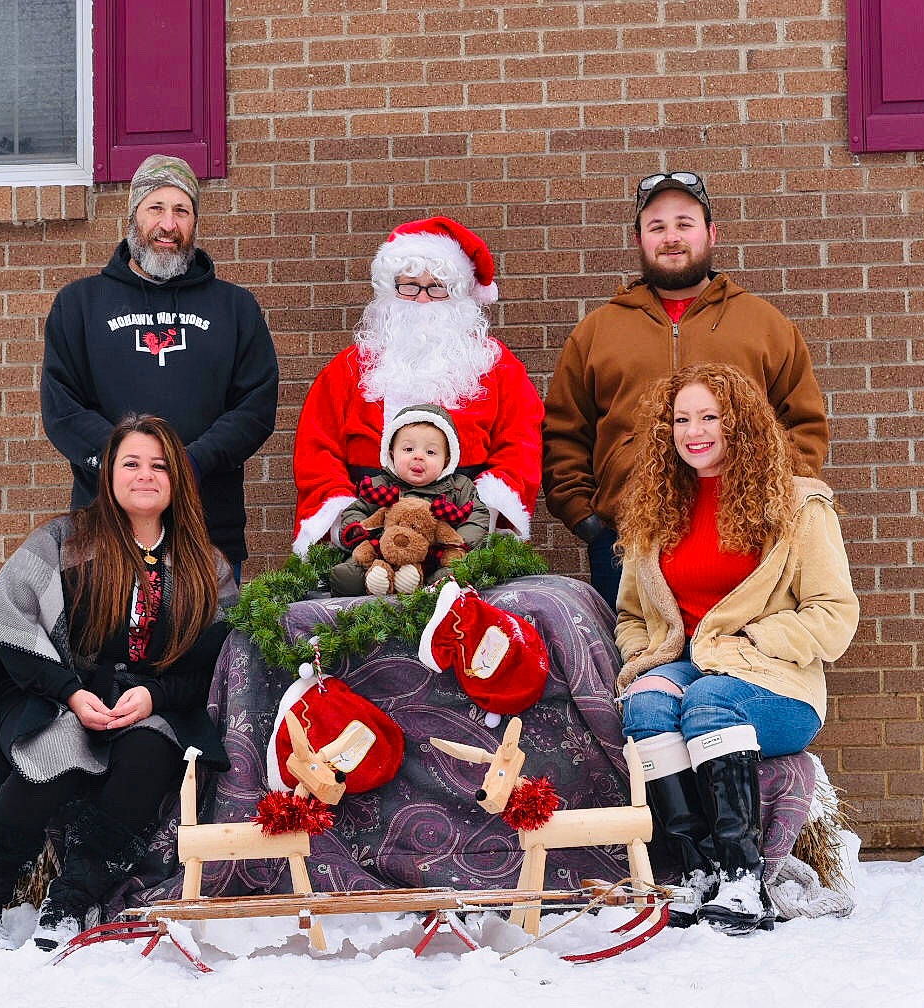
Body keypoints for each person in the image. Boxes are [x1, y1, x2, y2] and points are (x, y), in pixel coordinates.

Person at [0, 414, 236, 953]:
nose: (145, 475)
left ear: (177, 478)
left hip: (148, 703)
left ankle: (71, 901)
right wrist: (69, 692)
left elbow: (213, 665)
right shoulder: (61, 541)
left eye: (159, 465)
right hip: (54, 692)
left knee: (151, 752)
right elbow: (8, 623)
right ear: (108, 474)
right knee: (57, 748)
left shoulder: (207, 565)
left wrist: (154, 696)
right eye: (131, 463)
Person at [613, 364, 857, 936]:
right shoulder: (656, 512)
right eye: (681, 419)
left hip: (774, 686)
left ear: (740, 423)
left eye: (709, 417)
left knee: (709, 702)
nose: (693, 431)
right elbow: (631, 615)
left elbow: (834, 617)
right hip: (686, 665)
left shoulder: (798, 507)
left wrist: (753, 639)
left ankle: (744, 881)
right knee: (645, 705)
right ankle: (700, 871)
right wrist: (646, 655)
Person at [543, 170, 830, 605]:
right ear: (639, 239)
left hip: (743, 535)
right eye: (657, 227)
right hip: (627, 540)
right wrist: (587, 517)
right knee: (634, 647)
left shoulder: (765, 325)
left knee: (740, 647)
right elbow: (565, 431)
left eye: (684, 223)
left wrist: (774, 505)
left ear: (711, 233)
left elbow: (804, 425)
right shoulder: (597, 331)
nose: (671, 237)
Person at [41, 154, 278, 574]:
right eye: (156, 208)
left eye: (181, 211)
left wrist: (191, 463)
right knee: (104, 621)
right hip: (105, 529)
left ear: (195, 222)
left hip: (208, 530)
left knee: (211, 622)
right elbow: (63, 408)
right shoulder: (79, 305)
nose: (168, 224)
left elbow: (255, 408)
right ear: (133, 215)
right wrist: (129, 462)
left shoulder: (236, 308)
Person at [292, 217, 542, 556]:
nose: (422, 299)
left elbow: (521, 445)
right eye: (409, 286)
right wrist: (348, 518)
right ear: (390, 289)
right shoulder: (349, 367)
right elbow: (317, 449)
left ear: (459, 294)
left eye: (437, 287)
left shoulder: (497, 366)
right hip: (368, 524)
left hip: (463, 528)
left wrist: (480, 513)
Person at [328, 403, 491, 596]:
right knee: (350, 574)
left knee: (454, 573)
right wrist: (361, 531)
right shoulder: (381, 486)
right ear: (392, 453)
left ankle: (430, 582)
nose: (418, 457)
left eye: (430, 452)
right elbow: (357, 510)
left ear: (447, 460)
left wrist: (457, 543)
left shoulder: (459, 487)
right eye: (408, 449)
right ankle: (374, 578)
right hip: (386, 552)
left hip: (433, 555)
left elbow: (476, 515)